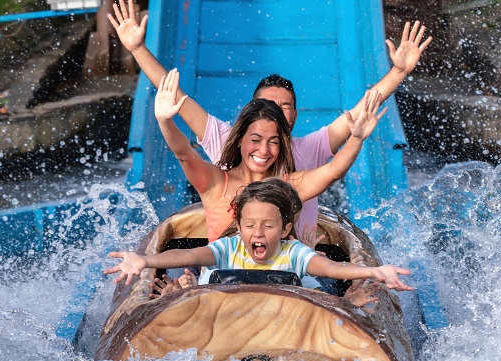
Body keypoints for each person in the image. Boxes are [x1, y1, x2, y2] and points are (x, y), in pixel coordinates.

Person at [108, 0, 433, 237]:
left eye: (285, 106)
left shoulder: (307, 156)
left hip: (294, 263)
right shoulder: (221, 159)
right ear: (252, 116)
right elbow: (175, 100)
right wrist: (137, 50)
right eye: (267, 105)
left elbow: (357, 120)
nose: (275, 111)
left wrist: (398, 72)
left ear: (295, 115)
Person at [153, 69, 384, 242]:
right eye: (255, 140)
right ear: (240, 138)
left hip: (280, 287)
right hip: (222, 287)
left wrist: (356, 139)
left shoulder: (289, 186)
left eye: (273, 142)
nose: (263, 151)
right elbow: (183, 153)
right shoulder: (216, 182)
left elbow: (334, 171)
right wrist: (165, 121)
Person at [105, 179, 415, 295]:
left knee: (323, 292)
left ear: (285, 230)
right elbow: (186, 256)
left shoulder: (293, 253)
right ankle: (182, 292)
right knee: (188, 285)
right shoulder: (229, 248)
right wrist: (144, 259)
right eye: (250, 224)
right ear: (238, 228)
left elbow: (334, 269)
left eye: (268, 226)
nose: (258, 232)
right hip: (229, 316)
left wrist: (375, 271)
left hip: (279, 320)